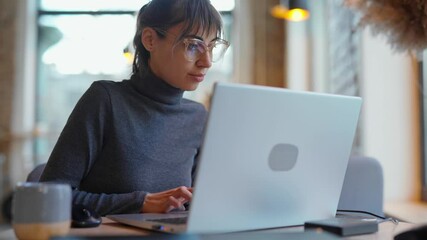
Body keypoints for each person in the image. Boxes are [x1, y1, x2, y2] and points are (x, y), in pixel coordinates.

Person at [39, 0, 229, 216]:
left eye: (212, 47)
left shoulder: (197, 116)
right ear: (150, 40)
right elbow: (49, 196)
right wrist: (139, 203)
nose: (207, 62)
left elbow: (196, 201)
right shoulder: (105, 100)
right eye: (193, 45)